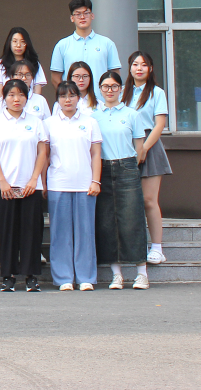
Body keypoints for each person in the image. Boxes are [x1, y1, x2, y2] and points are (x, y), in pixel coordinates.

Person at [0, 78, 50, 292]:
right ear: (4, 98)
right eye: (12, 95)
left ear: (27, 97)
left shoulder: (36, 122)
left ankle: (31, 276)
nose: (16, 99)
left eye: (21, 94)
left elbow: (42, 152)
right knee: (8, 230)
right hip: (5, 185)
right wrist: (2, 181)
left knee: (32, 230)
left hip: (31, 185)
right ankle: (9, 275)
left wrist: (34, 179)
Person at [91, 70, 150, 289]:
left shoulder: (132, 114)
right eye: (105, 87)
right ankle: (117, 274)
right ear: (100, 89)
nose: (110, 90)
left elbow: (139, 148)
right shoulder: (93, 116)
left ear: (121, 89)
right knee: (107, 221)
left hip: (127, 166)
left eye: (114, 86)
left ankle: (142, 273)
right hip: (102, 169)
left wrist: (129, 165)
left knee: (133, 219)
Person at [45, 81, 102, 291]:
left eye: (71, 95)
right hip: (58, 183)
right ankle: (63, 278)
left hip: (85, 184)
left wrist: (95, 180)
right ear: (57, 100)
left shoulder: (90, 122)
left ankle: (86, 276)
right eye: (62, 96)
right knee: (60, 233)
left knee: (85, 232)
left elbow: (96, 154)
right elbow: (44, 155)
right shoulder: (49, 123)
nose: (67, 100)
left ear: (79, 98)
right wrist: (43, 183)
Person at [122, 51, 173, 266]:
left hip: (149, 147)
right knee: (128, 202)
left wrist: (143, 148)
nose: (139, 68)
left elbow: (159, 124)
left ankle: (157, 248)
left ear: (150, 68)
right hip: (125, 147)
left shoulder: (156, 92)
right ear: (130, 68)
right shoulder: (122, 92)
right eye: (135, 64)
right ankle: (134, 246)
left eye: (144, 65)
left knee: (149, 200)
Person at [50, 0, 122, 96]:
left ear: (92, 16)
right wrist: (67, 96)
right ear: (72, 18)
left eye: (86, 13)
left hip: (101, 101)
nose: (82, 17)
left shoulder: (107, 43)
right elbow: (55, 78)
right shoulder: (62, 45)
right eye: (78, 14)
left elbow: (115, 74)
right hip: (73, 102)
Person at [0, 27, 47, 99]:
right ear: (9, 43)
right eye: (15, 41)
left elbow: (37, 91)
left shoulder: (35, 64)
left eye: (22, 42)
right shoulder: (0, 64)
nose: (18, 45)